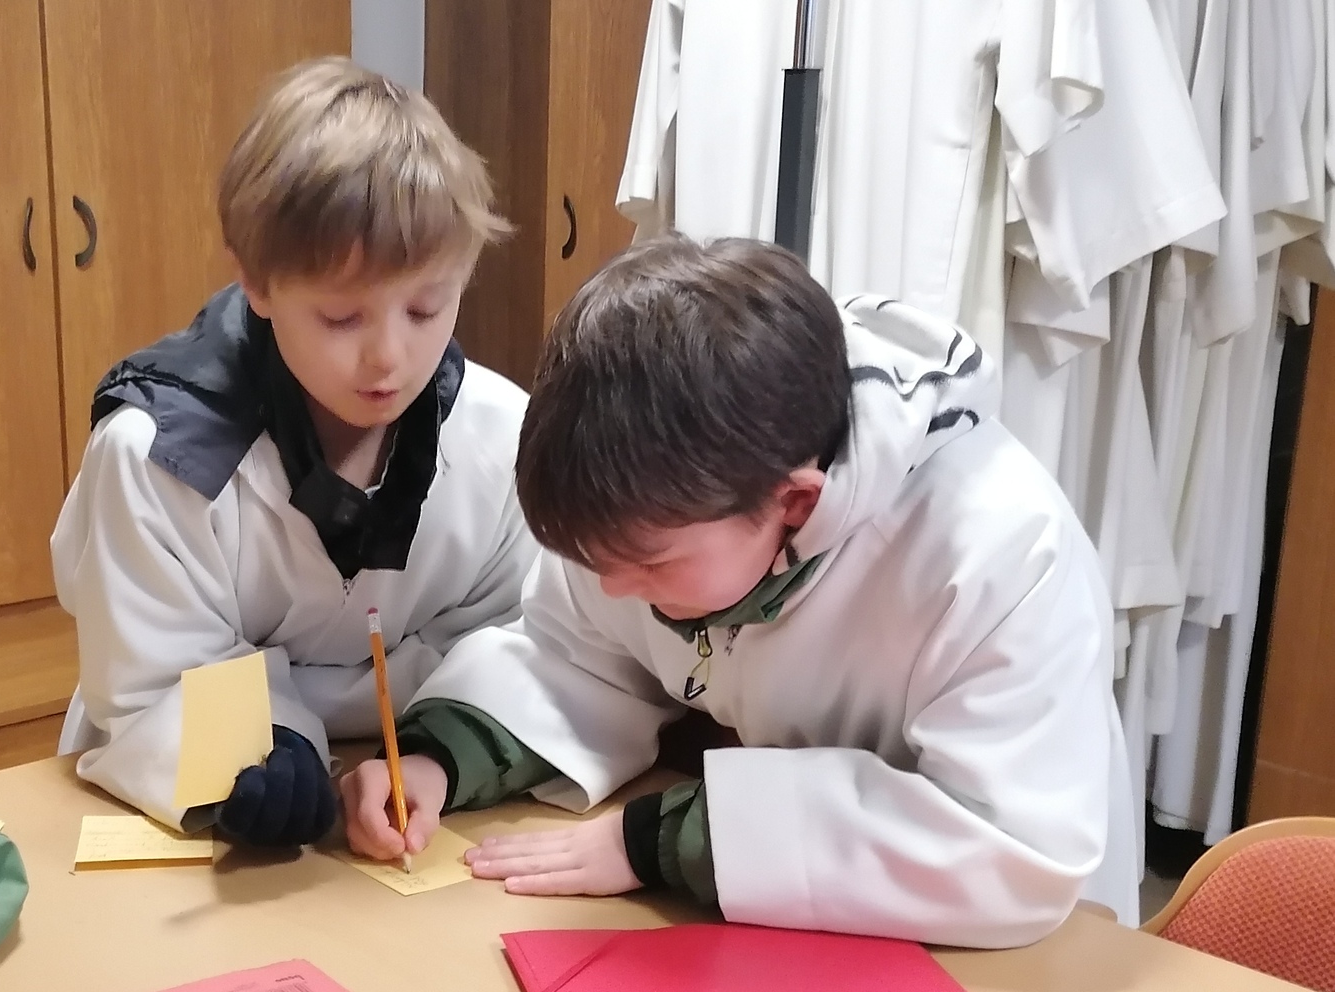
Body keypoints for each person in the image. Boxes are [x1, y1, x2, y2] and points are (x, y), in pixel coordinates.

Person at [342, 235, 1139, 946]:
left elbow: (1003, 847)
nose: (612, 584)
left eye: (649, 564)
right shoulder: (651, 502)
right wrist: (437, 759)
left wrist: (668, 839)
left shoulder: (998, 546)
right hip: (775, 934)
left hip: (1015, 952)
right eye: (593, 556)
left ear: (794, 503)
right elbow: (569, 652)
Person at [53, 57, 536, 848]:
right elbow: (150, 682)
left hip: (419, 777)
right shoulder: (157, 454)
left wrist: (442, 750)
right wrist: (271, 741)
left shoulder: (501, 435)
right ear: (257, 283)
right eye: (343, 317)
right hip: (206, 795)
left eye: (426, 307)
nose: (390, 357)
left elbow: (528, 635)